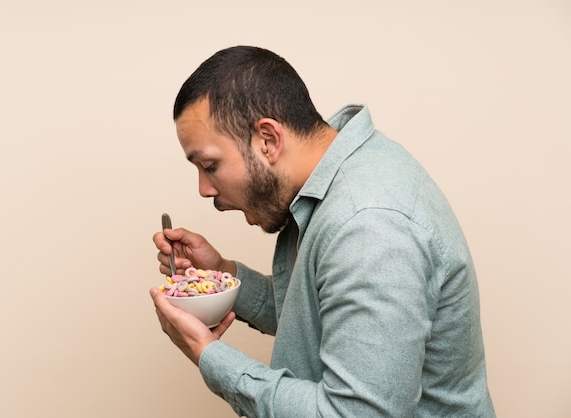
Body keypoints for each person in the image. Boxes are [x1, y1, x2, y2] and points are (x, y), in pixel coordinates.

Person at [151, 45, 496, 417]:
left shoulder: (368, 225)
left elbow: (357, 414)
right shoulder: (334, 176)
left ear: (267, 140)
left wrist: (210, 356)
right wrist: (223, 275)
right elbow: (322, 319)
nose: (204, 189)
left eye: (210, 165)